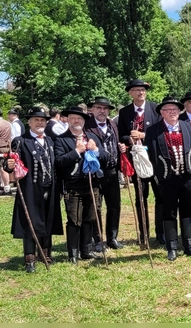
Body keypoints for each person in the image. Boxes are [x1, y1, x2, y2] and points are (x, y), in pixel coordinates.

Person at [144, 96, 191, 261]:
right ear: (162, 113)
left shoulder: (187, 127)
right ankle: (171, 246)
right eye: (168, 110)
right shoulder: (154, 131)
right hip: (166, 178)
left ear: (179, 112)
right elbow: (149, 155)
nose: (172, 112)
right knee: (169, 211)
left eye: (175, 110)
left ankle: (190, 246)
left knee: (187, 210)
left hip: (187, 176)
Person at [5, 108, 63, 272]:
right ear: (29, 122)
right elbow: (11, 163)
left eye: (43, 120)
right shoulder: (20, 141)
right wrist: (8, 166)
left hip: (49, 188)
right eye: (36, 120)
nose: (40, 123)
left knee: (48, 220)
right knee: (30, 223)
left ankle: (45, 253)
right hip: (30, 190)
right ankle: (30, 258)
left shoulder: (51, 141)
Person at [54, 106, 108, 264]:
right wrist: (76, 151)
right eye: (73, 118)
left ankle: (87, 249)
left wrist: (96, 150)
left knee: (90, 218)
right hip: (73, 186)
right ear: (67, 120)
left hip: (92, 184)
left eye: (80, 118)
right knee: (74, 219)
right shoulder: (61, 139)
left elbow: (106, 157)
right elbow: (59, 162)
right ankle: (73, 253)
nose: (76, 121)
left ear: (84, 121)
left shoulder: (93, 137)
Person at [117, 78, 163, 246]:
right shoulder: (125, 112)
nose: (140, 92)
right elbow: (121, 135)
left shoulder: (155, 109)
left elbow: (161, 132)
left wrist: (144, 136)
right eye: (136, 90)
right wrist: (129, 138)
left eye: (143, 89)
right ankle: (143, 234)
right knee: (140, 197)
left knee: (161, 196)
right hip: (137, 159)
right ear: (130, 93)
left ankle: (161, 232)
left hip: (155, 160)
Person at [85, 96, 126, 251]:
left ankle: (112, 237)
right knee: (96, 206)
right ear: (92, 109)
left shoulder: (112, 124)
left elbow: (117, 142)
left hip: (113, 171)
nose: (102, 111)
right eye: (99, 108)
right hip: (95, 172)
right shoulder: (87, 126)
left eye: (105, 108)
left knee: (115, 205)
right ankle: (97, 239)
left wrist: (121, 148)